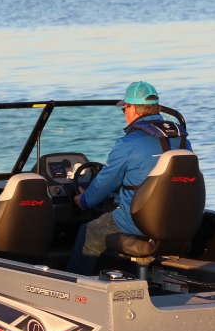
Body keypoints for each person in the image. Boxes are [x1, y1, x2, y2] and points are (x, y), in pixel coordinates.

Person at [64, 81, 193, 275]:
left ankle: (75, 285)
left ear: (132, 109)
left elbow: (104, 184)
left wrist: (83, 200)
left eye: (124, 108)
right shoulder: (183, 140)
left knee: (89, 232)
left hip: (138, 221)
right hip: (179, 220)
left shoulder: (128, 143)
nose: (124, 113)